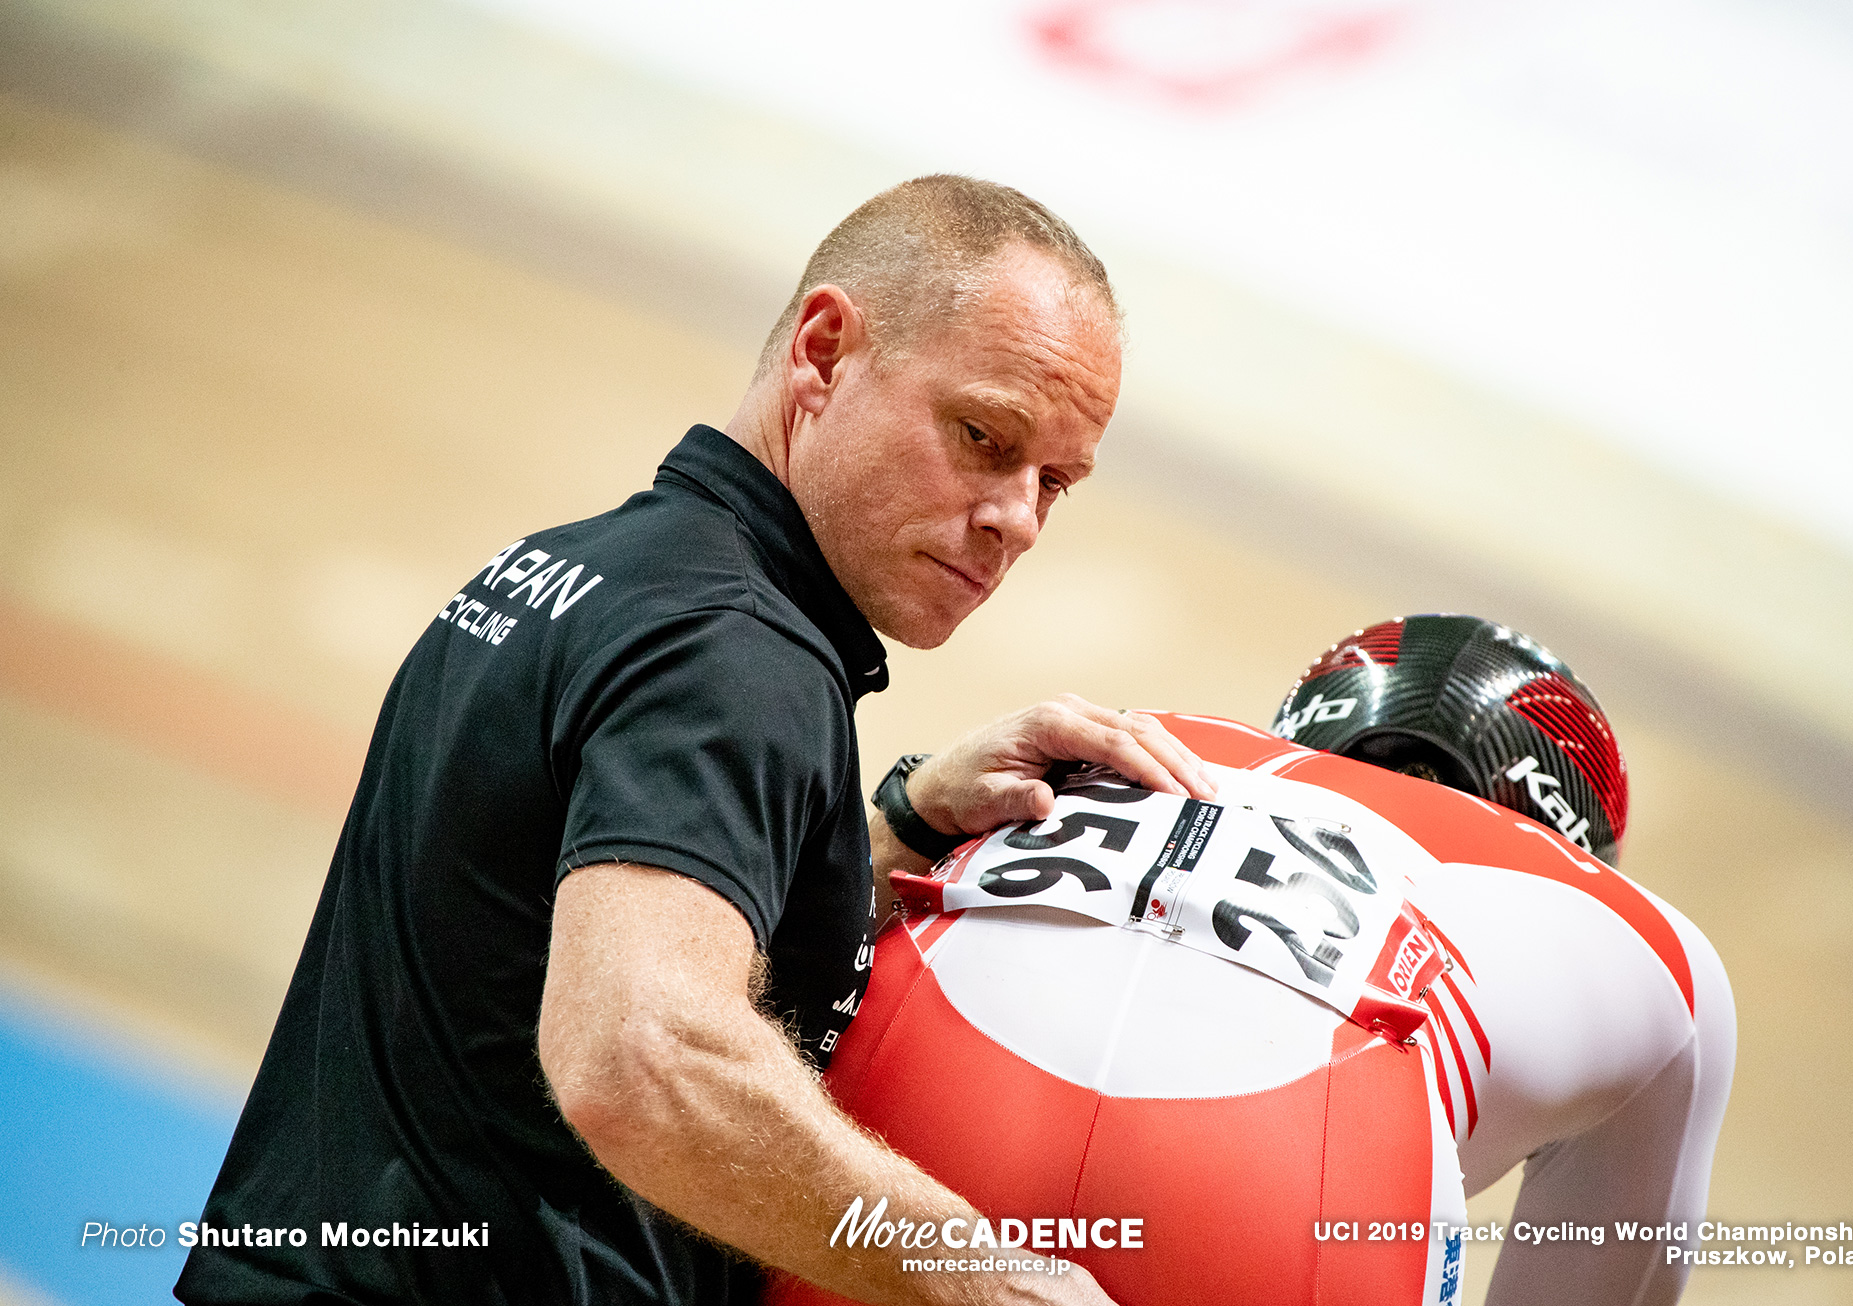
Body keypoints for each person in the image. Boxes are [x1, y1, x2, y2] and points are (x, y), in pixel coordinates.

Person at [176, 175, 1215, 1306]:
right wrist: (989, 1281)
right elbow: (645, 1059)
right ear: (822, 353)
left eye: (1053, 481)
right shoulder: (738, 656)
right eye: (983, 436)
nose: (1015, 515)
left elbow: (545, 925)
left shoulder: (590, 568)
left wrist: (903, 821)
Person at [765, 616, 1735, 1306]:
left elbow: (778, 959)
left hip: (908, 1126)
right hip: (1280, 1203)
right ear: (1570, 837)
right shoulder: (1637, 934)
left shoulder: (1121, 735)